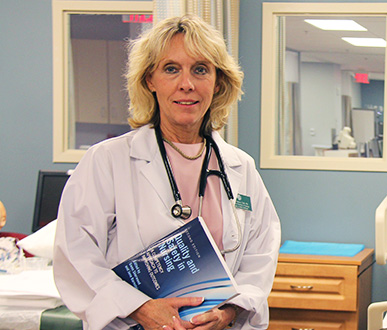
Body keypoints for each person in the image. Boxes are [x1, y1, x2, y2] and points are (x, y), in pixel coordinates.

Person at [53, 15, 281, 330]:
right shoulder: (108, 160)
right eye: (171, 69)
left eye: (200, 69)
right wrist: (141, 308)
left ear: (218, 83)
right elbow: (75, 254)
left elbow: (260, 254)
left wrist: (228, 312)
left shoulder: (239, 167)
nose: (186, 83)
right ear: (150, 80)